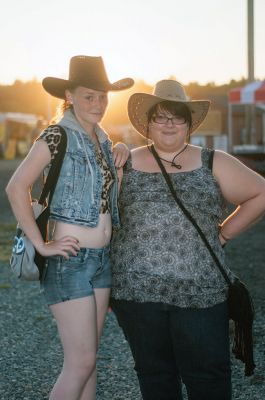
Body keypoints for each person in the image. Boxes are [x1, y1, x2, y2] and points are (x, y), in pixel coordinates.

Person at [110, 79, 265, 400]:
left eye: (177, 116)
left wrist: (224, 233)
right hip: (138, 295)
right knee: (156, 377)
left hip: (202, 293)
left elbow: (260, 193)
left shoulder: (214, 161)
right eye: (160, 116)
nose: (168, 124)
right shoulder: (124, 162)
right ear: (147, 123)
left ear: (189, 123)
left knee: (208, 377)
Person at [6, 55, 134, 400]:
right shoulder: (57, 135)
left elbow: (105, 198)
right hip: (70, 261)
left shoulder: (103, 140)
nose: (98, 104)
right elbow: (17, 187)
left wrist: (119, 152)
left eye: (103, 96)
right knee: (80, 363)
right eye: (89, 96)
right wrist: (42, 243)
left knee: (87, 363)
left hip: (101, 261)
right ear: (70, 97)